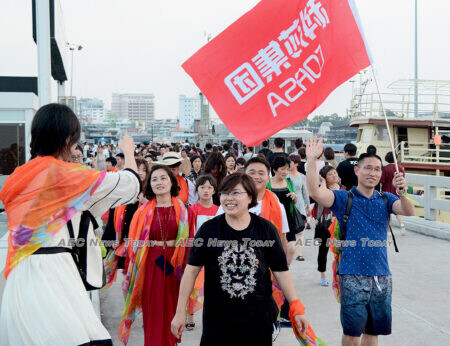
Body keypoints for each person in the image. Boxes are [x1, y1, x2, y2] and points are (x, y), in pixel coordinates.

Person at [0, 103, 141, 345]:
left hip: (19, 276)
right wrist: (128, 151)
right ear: (67, 138)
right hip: (54, 274)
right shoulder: (67, 176)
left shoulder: (17, 178)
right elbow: (131, 184)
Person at [171, 173, 309, 346]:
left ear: (250, 196)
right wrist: (180, 312)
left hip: (258, 321)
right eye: (225, 193)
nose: (229, 198)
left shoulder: (266, 230)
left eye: (236, 193)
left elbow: (281, 271)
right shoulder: (208, 230)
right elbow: (191, 272)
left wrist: (295, 307)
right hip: (217, 323)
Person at [305, 136, 415, 346]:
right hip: (352, 274)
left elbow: (408, 211)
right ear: (357, 171)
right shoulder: (343, 198)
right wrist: (311, 162)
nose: (372, 173)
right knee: (352, 333)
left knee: (373, 333)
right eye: (367, 168)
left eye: (376, 169)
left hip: (381, 274)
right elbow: (315, 192)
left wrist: (402, 192)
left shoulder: (386, 199)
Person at [119, 165, 193, 346]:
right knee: (153, 313)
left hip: (176, 269)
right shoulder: (142, 212)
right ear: (149, 185)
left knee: (172, 313)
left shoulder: (184, 211)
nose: (159, 183)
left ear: (171, 181)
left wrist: (189, 271)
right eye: (154, 179)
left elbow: (190, 242)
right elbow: (134, 245)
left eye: (163, 178)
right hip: (151, 265)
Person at [103, 158, 150, 287]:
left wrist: (146, 203)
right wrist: (109, 243)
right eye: (137, 169)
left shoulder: (150, 195)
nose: (140, 173)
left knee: (139, 280)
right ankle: (129, 307)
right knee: (126, 280)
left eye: (144, 170)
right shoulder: (122, 193)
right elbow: (112, 220)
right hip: (123, 243)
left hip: (141, 245)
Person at [186, 175, 219, 330]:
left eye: (209, 187)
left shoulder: (219, 210)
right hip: (196, 253)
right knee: (192, 285)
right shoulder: (192, 210)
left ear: (214, 190)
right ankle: (190, 315)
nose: (206, 191)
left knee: (214, 286)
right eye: (202, 187)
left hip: (214, 254)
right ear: (197, 190)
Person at [312, 165, 344, 286]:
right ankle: (323, 274)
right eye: (330, 174)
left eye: (335, 173)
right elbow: (320, 196)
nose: (334, 175)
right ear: (324, 177)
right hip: (324, 224)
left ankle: (340, 273)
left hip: (339, 224)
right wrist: (323, 183)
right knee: (323, 250)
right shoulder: (321, 189)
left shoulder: (343, 188)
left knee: (341, 250)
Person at [288, 155, 310, 262]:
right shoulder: (284, 176)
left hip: (300, 205)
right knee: (289, 229)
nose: (289, 164)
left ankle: (299, 253)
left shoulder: (302, 177)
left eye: (291, 162)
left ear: (296, 164)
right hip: (288, 205)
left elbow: (305, 193)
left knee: (300, 230)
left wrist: (308, 206)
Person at [381, 152, 406, 234]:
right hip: (397, 190)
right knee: (398, 211)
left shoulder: (385, 168)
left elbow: (382, 180)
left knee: (388, 212)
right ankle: (402, 226)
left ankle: (388, 230)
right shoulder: (400, 168)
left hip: (387, 190)